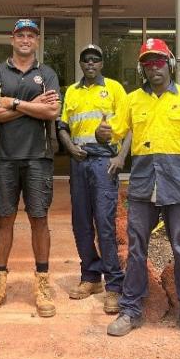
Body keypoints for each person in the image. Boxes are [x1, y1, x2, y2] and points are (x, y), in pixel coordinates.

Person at [98, 38, 180, 342]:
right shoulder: (132, 100)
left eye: (159, 61)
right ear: (143, 69)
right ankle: (130, 311)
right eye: (148, 63)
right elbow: (113, 134)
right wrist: (101, 134)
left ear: (170, 64)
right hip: (143, 185)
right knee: (137, 249)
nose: (154, 68)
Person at [0, 19, 61, 317]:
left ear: (37, 41)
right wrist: (31, 105)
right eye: (20, 35)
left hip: (38, 157)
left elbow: (52, 110)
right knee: (4, 219)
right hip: (4, 158)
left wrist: (13, 103)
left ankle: (42, 283)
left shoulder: (47, 74)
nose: (25, 39)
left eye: (31, 35)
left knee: (39, 219)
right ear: (12, 39)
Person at [57, 44, 129, 314]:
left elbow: (130, 126)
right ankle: (90, 276)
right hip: (79, 161)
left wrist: (120, 157)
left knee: (104, 222)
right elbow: (62, 126)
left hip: (103, 162)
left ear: (101, 64)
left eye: (95, 60)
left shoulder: (114, 89)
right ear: (80, 63)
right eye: (86, 60)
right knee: (81, 222)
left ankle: (114, 285)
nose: (90, 64)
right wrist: (69, 147)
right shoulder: (72, 92)